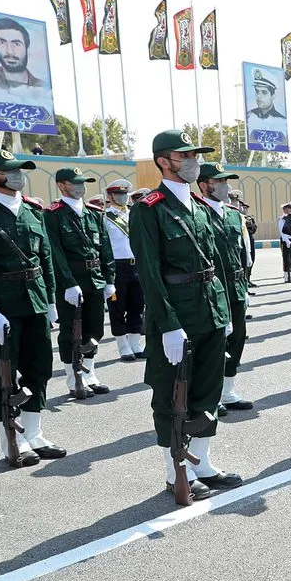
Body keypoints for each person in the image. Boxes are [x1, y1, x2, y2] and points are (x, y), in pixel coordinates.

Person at [130, 129, 242, 500]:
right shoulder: (149, 209)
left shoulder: (199, 206)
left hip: (210, 311)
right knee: (171, 394)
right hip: (177, 317)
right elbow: (149, 271)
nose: (193, 161)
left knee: (206, 391)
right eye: (185, 155)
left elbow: (218, 264)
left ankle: (203, 463)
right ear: (164, 161)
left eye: (195, 155)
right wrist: (168, 325)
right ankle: (173, 470)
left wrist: (224, 312)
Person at [0, 150, 66, 464]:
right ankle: (11, 439)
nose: (19, 175)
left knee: (40, 367)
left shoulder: (33, 209)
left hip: (35, 301)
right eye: (11, 170)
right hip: (1, 305)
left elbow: (46, 259)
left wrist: (51, 299)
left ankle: (33, 433)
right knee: (4, 375)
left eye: (20, 169)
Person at [44, 167, 116, 397]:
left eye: (83, 182)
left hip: (95, 281)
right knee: (70, 332)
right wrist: (68, 283)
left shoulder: (94, 213)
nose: (81, 187)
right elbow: (55, 253)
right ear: (62, 185)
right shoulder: (53, 215)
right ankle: (72, 377)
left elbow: (106, 248)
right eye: (75, 183)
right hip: (72, 284)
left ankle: (90, 374)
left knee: (95, 330)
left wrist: (109, 279)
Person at [195, 163, 254, 413]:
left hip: (237, 285)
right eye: (218, 181)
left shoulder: (232, 214)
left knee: (237, 338)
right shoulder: (197, 212)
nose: (224, 186)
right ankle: (212, 395)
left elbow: (241, 251)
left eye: (225, 181)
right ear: (203, 184)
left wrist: (245, 285)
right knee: (215, 344)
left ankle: (228, 391)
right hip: (215, 287)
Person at [103, 179, 146, 362]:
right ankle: (123, 345)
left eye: (124, 194)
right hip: (118, 267)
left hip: (136, 264)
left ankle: (135, 343)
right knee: (117, 307)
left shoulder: (134, 214)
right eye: (118, 194)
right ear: (110, 196)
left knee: (137, 305)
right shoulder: (105, 217)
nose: (122, 197)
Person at [0, 18, 45, 90]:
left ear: (27, 48)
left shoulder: (44, 87)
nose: (9, 51)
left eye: (16, 44)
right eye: (2, 42)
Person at [278, 202, 291, 283]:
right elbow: (282, 231)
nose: (289, 210)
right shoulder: (282, 219)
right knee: (286, 258)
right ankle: (286, 276)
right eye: (287, 208)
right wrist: (287, 241)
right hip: (286, 240)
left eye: (290, 208)